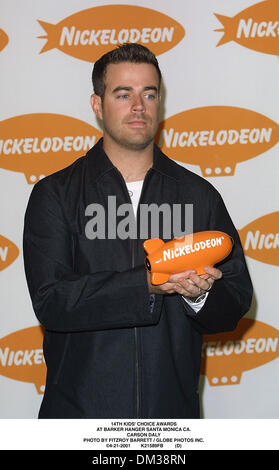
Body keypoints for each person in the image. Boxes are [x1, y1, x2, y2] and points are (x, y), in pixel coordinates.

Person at [23, 43, 253, 418]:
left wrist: (199, 296)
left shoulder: (197, 195)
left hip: (169, 418)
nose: (138, 106)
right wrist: (146, 283)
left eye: (149, 93)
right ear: (97, 105)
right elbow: (52, 302)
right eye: (123, 94)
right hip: (79, 416)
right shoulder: (56, 194)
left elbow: (234, 304)